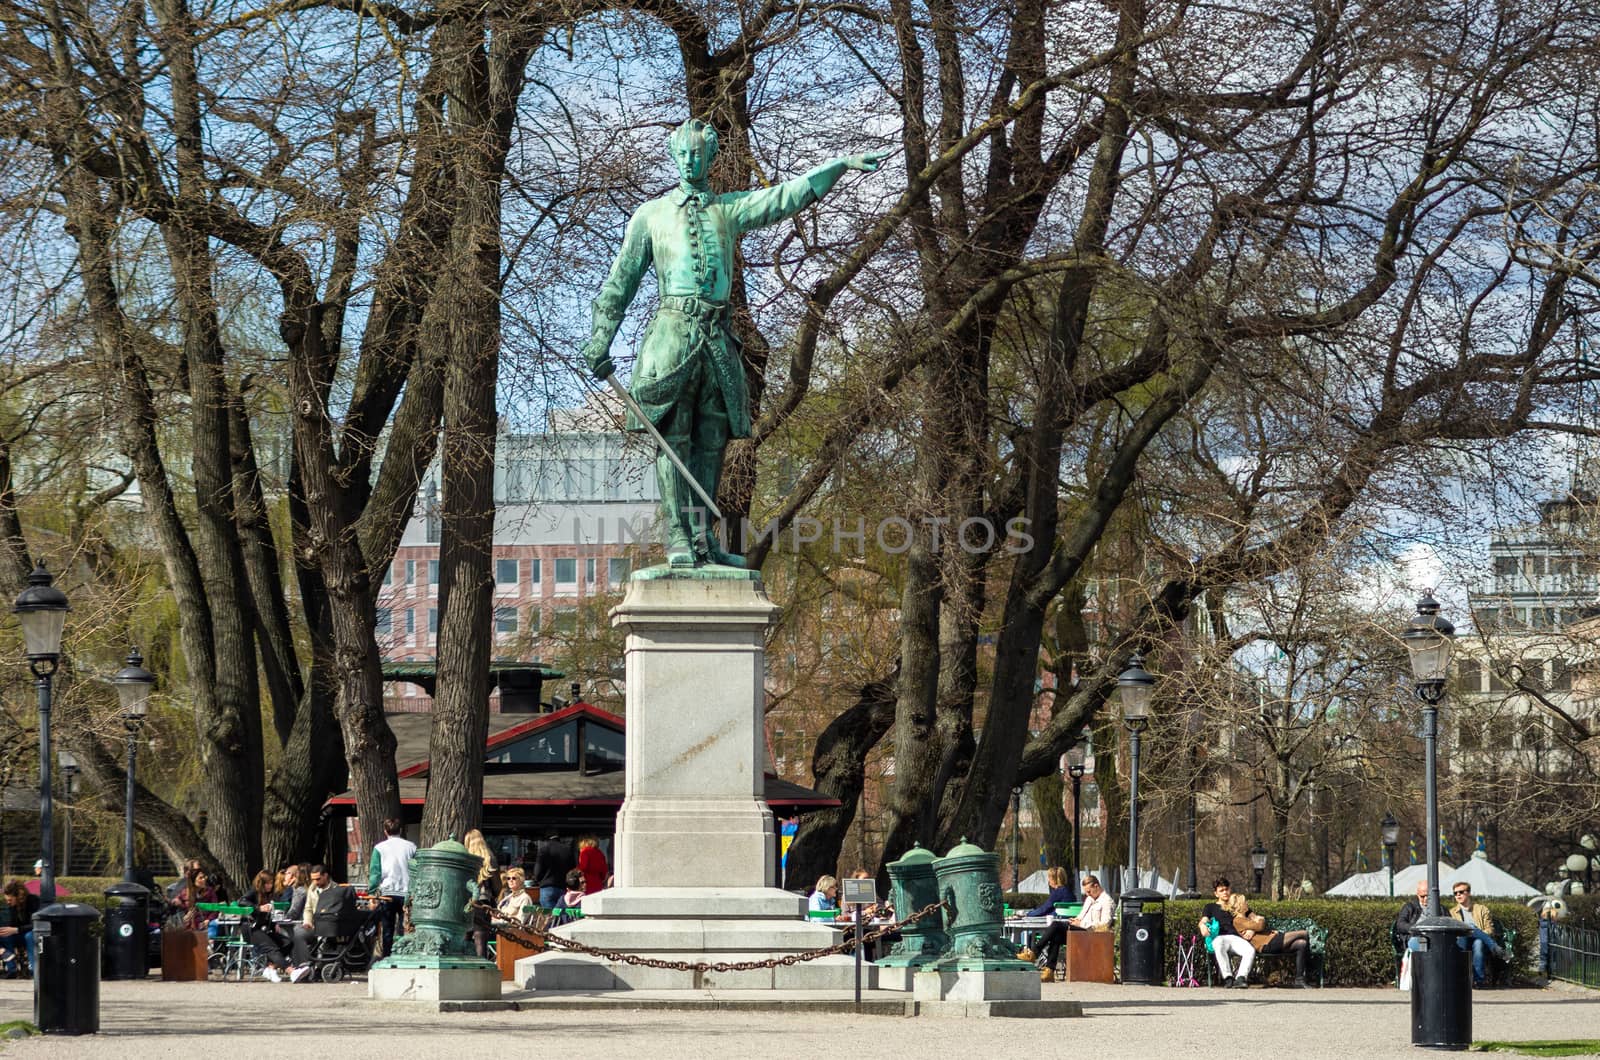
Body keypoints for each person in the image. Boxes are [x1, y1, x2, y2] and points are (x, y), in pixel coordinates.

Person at [581, 118, 888, 567]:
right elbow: (620, 282)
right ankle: (679, 539)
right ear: (673, 155)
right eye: (684, 153)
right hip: (671, 336)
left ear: (711, 157)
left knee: (713, 440)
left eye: (699, 154)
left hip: (717, 338)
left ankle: (705, 538)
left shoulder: (728, 209)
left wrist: (836, 166)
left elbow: (782, 198)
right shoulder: (651, 215)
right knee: (674, 437)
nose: (691, 161)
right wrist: (600, 336)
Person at [1215, 877, 1312, 987]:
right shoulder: (1238, 921)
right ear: (1239, 906)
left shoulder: (1247, 918)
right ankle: (1312, 968)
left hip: (1272, 939)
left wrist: (1254, 925)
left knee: (1301, 944)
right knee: (1304, 933)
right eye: (1244, 903)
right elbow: (1260, 925)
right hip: (1267, 944)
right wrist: (1259, 921)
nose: (1246, 904)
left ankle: (1300, 979)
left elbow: (1258, 924)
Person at [1019, 874, 1113, 982]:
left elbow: (1105, 924)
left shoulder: (1107, 901)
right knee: (1056, 936)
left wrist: (1081, 924)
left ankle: (1034, 953)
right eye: (1086, 892)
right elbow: (1081, 916)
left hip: (1091, 934)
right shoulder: (1089, 899)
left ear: (1096, 886)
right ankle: (1049, 971)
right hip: (1080, 931)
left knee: (1056, 925)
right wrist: (1075, 920)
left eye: (1089, 891)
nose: (1087, 894)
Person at [367, 817, 416, 958]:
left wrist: (372, 892)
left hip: (387, 893)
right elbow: (416, 869)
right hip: (406, 893)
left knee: (387, 928)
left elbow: (375, 872)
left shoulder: (379, 848)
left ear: (385, 831)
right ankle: (403, 955)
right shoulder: (411, 847)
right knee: (405, 927)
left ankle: (387, 955)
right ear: (400, 830)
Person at [1200, 877, 1256, 988]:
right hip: (1220, 937)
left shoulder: (1237, 904)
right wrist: (1202, 926)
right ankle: (1228, 978)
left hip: (1236, 937)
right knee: (1218, 943)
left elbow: (1255, 919)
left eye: (1226, 889)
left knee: (1250, 950)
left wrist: (1252, 929)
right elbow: (1204, 920)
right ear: (1216, 894)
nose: (1225, 892)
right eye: (1221, 890)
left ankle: (1241, 978)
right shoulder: (1210, 907)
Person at [1449, 882, 1507, 988]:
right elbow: (1454, 932)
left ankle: (1478, 981)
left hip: (1480, 942)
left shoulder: (1481, 909)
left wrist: (1476, 933)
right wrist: (1470, 930)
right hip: (1462, 941)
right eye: (1455, 893)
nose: (1458, 895)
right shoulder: (1452, 912)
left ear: (1469, 893)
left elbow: (1489, 930)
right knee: (1469, 927)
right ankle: (1494, 947)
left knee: (1478, 943)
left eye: (1461, 892)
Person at [241, 869, 293, 982]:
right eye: (267, 883)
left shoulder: (271, 895)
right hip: (251, 928)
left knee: (287, 943)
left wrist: (275, 923)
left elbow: (272, 912)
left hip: (265, 927)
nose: (270, 885)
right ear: (261, 883)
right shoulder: (253, 892)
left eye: (271, 882)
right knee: (271, 946)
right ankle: (291, 971)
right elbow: (242, 901)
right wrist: (258, 908)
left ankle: (270, 968)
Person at [288, 864, 333, 982]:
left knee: (322, 938)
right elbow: (308, 908)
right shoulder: (312, 889)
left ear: (326, 876)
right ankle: (303, 967)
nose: (315, 882)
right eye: (313, 879)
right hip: (313, 924)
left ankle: (315, 967)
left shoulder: (335, 889)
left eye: (318, 879)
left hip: (328, 925)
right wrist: (307, 921)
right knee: (297, 932)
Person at [464, 829, 500, 959]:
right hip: (483, 901)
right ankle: (481, 967)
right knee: (480, 937)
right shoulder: (489, 858)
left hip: (465, 901)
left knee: (464, 937)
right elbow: (497, 886)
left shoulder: (465, 858)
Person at [0, 880, 39, 975]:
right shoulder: (12, 906)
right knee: (4, 935)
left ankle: (34, 969)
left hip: (31, 932)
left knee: (30, 936)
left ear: (18, 897)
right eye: (6, 900)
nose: (8, 902)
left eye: (10, 900)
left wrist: (17, 930)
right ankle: (11, 968)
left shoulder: (33, 901)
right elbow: (12, 924)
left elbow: (36, 924)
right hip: (18, 934)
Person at [531, 834, 575, 909]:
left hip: (547, 887)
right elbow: (573, 870)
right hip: (563, 887)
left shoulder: (544, 850)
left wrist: (538, 880)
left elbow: (537, 872)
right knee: (562, 916)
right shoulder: (568, 850)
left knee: (549, 916)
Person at [1394, 878, 1428, 954]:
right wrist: (1414, 928)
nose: (1426, 899)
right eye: (1422, 896)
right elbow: (1400, 924)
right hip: (1416, 937)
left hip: (1436, 938)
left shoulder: (1441, 909)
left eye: (1428, 896)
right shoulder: (1409, 907)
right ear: (1417, 894)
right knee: (1421, 941)